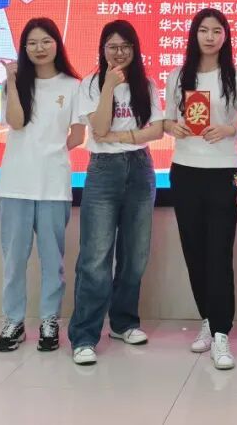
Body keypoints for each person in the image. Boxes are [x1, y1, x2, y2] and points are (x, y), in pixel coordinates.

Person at [164, 9, 237, 370]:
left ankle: (221, 333)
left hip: (223, 172)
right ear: (194, 35)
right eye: (203, 30)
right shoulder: (178, 76)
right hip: (185, 169)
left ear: (225, 37)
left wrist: (229, 129)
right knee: (195, 251)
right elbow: (167, 119)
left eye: (216, 31)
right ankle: (207, 318)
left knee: (219, 253)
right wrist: (174, 127)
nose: (209, 37)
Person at [68, 20, 164, 365]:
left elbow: (157, 131)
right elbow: (99, 128)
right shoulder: (90, 84)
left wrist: (124, 138)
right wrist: (109, 85)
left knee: (135, 255)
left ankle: (124, 323)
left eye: (125, 46)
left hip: (140, 168)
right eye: (112, 46)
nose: (119, 52)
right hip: (103, 171)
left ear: (135, 50)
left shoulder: (146, 85)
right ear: (102, 49)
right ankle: (84, 336)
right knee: (95, 258)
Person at [0, 17, 83, 353]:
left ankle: (49, 320)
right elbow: (16, 122)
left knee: (52, 260)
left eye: (46, 41)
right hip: (14, 185)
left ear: (57, 43)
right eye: (32, 43)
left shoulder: (72, 86)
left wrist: (51, 152)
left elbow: (78, 135)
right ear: (23, 48)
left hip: (53, 186)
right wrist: (12, 80)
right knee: (14, 261)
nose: (39, 48)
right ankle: (13, 321)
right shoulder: (13, 85)